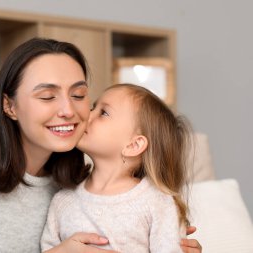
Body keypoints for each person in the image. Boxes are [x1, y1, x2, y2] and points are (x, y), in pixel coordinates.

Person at [0, 38, 201, 253]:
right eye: (47, 96)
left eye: (78, 94)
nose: (69, 110)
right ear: (10, 106)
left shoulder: (75, 181)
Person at [41, 83, 200, 252]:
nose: (87, 113)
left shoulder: (156, 202)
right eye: (94, 107)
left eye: (103, 112)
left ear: (134, 145)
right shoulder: (62, 201)